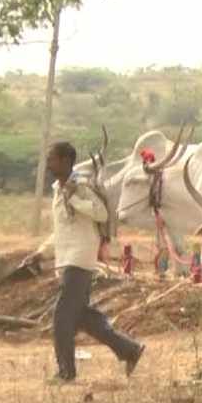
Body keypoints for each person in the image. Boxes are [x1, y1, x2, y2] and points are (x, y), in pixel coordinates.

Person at [27, 141, 144, 383]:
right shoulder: (58, 190)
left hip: (80, 260)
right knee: (82, 317)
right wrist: (40, 252)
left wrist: (76, 201)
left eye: (53, 159)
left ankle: (66, 372)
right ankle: (130, 350)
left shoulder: (80, 187)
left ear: (66, 161)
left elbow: (101, 213)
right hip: (67, 260)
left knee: (62, 317)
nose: (49, 163)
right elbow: (60, 231)